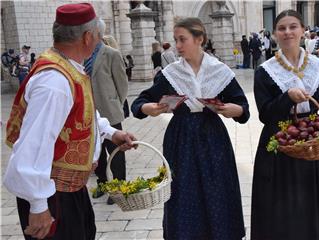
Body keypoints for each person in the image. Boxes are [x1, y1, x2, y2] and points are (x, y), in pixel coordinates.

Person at [3, 3, 136, 239]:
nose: (99, 40)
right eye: (97, 35)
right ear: (87, 37)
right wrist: (38, 206)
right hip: (52, 195)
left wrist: (109, 132)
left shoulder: (67, 68)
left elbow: (82, 113)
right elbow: (33, 146)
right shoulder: (54, 82)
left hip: (68, 189)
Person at [131, 17, 250, 240]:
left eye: (182, 39)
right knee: (182, 192)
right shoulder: (171, 74)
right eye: (175, 40)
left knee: (217, 190)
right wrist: (148, 107)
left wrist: (236, 110)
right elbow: (139, 102)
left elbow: (243, 107)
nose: (177, 45)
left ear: (199, 39)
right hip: (181, 140)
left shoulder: (220, 71)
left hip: (213, 140)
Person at [251, 10, 319, 240]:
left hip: (315, 149)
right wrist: (286, 98)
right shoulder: (265, 72)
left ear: (302, 30)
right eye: (282, 28)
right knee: (281, 211)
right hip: (281, 148)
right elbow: (265, 114)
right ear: (276, 33)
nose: (287, 32)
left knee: (315, 203)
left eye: (293, 27)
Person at [84, 22, 129, 205]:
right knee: (97, 152)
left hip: (109, 111)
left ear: (98, 34)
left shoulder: (112, 54)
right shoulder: (82, 56)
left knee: (116, 151)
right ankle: (102, 183)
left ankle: (118, 187)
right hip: (87, 113)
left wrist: (115, 103)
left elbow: (122, 84)